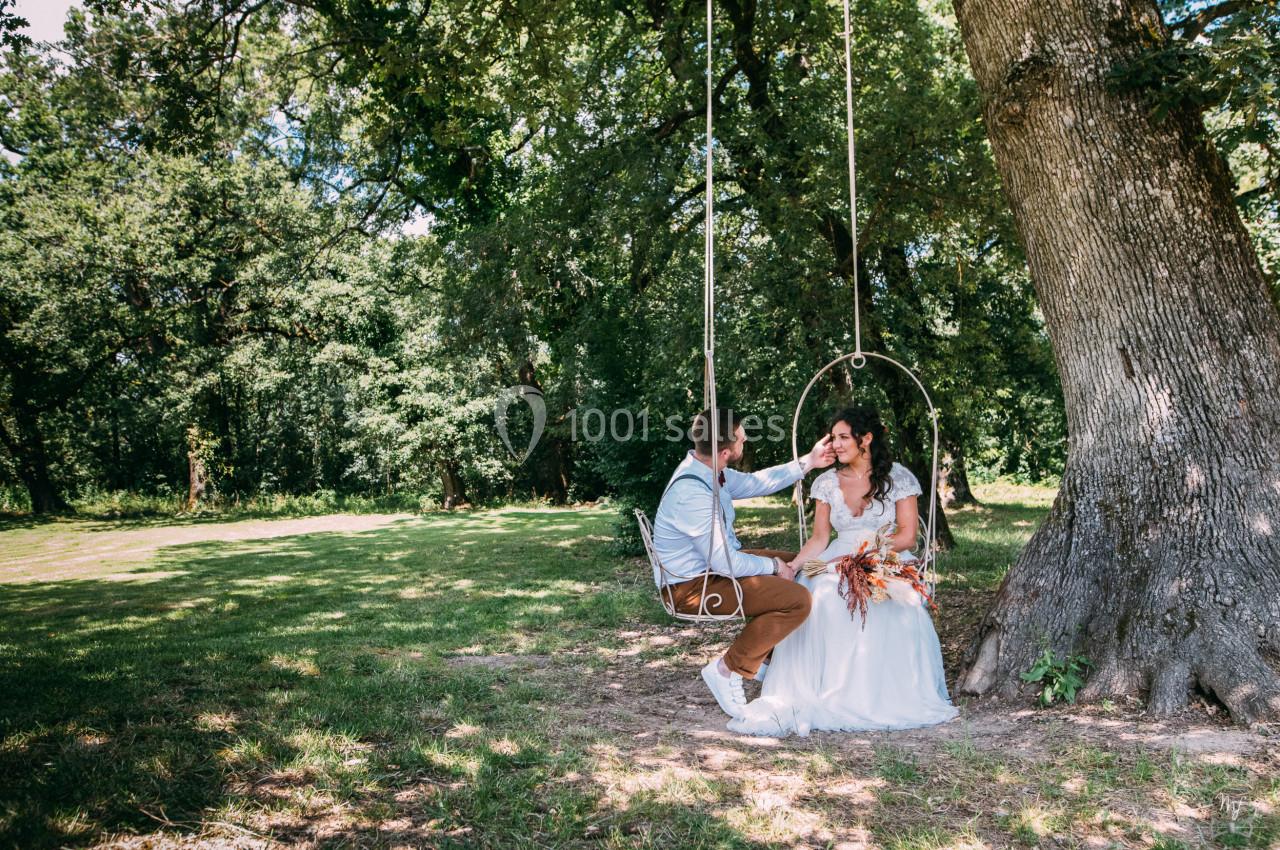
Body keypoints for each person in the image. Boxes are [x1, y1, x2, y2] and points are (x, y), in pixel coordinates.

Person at [727, 406, 959, 736]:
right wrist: (793, 566)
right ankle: (826, 689)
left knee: (890, 599)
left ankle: (879, 692)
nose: (835, 445)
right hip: (837, 556)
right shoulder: (826, 482)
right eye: (832, 438)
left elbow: (907, 534)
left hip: (886, 554)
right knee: (820, 591)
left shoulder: (899, 477)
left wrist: (869, 558)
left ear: (866, 439)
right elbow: (821, 538)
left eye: (843, 437)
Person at [652, 407, 835, 719]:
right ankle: (726, 670)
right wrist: (774, 567)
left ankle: (764, 660)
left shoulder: (709, 470)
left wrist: (810, 461)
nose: (745, 441)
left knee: (803, 565)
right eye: (741, 440)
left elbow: (756, 482)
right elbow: (727, 563)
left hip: (712, 572)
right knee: (797, 599)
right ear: (726, 451)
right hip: (691, 588)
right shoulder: (693, 493)